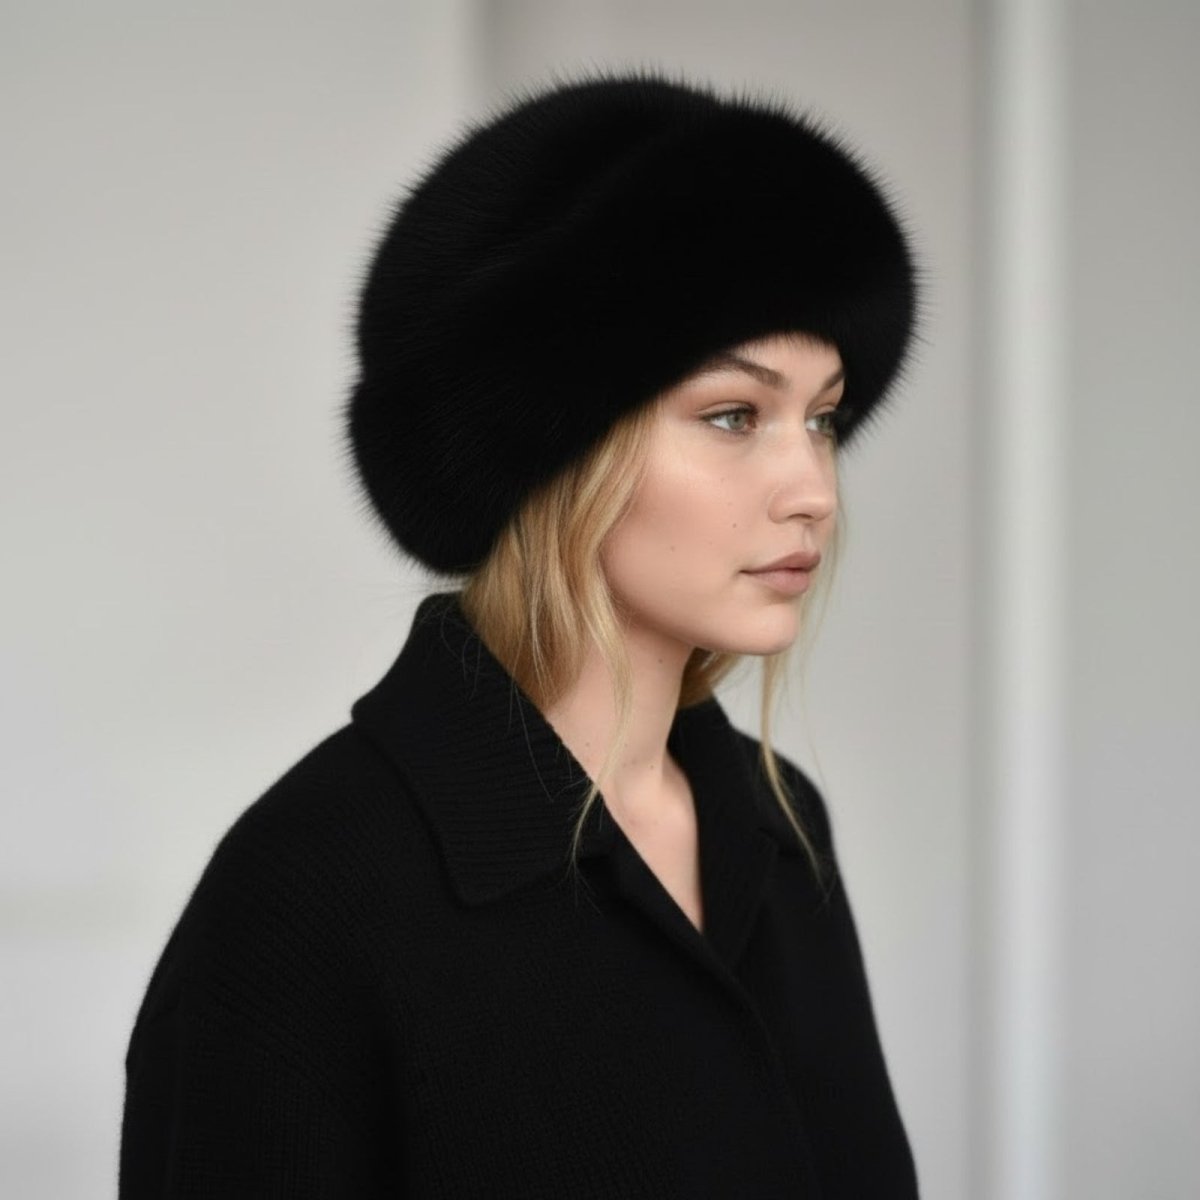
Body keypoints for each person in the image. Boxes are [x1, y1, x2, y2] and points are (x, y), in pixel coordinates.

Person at [119, 72, 921, 1198]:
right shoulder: (308, 894)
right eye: (734, 414)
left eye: (823, 418)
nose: (815, 492)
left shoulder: (779, 825)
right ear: (554, 452)